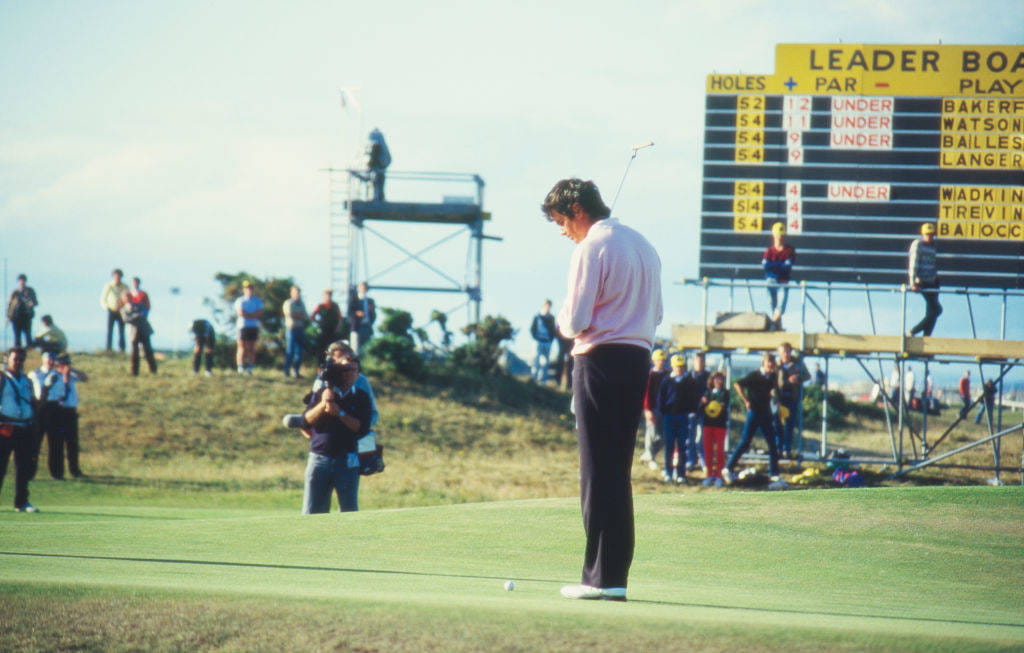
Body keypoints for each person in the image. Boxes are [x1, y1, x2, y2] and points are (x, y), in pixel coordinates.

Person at [542, 178, 662, 602]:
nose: (562, 231)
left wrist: (560, 319)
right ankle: (611, 576)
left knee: (597, 471)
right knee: (616, 472)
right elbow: (658, 313)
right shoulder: (644, 244)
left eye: (561, 221)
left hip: (598, 360)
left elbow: (574, 320)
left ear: (576, 210)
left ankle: (599, 579)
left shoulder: (590, 247)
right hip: (637, 359)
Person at [298, 351, 372, 513]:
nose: (349, 374)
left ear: (358, 373)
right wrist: (323, 404)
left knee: (349, 510)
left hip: (348, 460)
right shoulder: (321, 392)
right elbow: (305, 420)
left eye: (353, 370)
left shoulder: (361, 397)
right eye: (345, 370)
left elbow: (361, 428)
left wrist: (340, 413)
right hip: (319, 458)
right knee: (312, 511)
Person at [723, 352, 786, 489]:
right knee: (745, 441)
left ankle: (774, 473)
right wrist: (745, 400)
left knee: (772, 444)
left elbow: (772, 390)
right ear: (763, 364)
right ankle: (728, 468)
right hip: (754, 412)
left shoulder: (772, 376)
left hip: (766, 413)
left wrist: (776, 400)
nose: (771, 367)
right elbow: (737, 384)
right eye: (769, 364)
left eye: (773, 365)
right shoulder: (754, 375)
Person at [0, 347, 38, 512]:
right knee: (1, 466)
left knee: (23, 467)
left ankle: (21, 501)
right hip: (6, 427)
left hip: (24, 427)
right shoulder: (2, 378)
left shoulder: (26, 380)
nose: (18, 362)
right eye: (15, 359)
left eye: (21, 359)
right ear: (8, 359)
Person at [37, 354, 85, 479]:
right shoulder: (53, 376)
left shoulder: (72, 376)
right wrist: (63, 376)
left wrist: (70, 371)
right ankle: (58, 472)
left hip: (71, 412)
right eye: (64, 363)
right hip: (59, 412)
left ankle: (74, 469)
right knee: (57, 443)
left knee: (72, 442)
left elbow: (84, 377)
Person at [657, 354, 690, 484]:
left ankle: (681, 473)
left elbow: (693, 398)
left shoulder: (688, 381)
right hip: (669, 417)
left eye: (681, 367)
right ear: (672, 367)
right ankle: (668, 472)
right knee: (669, 446)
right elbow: (661, 399)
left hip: (683, 417)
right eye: (677, 367)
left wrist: (690, 411)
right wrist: (663, 414)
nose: (679, 369)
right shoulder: (666, 381)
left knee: (682, 446)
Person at [907, 223, 942, 337]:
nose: (929, 237)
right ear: (922, 234)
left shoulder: (933, 246)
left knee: (931, 312)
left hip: (932, 282)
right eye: (927, 234)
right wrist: (912, 283)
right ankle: (913, 331)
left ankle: (927, 338)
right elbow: (913, 264)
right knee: (937, 310)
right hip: (922, 282)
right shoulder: (918, 244)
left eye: (931, 234)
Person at [775, 342, 809, 459]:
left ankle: (787, 449)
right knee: (777, 424)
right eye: (783, 352)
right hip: (778, 399)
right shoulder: (776, 365)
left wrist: (798, 378)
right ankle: (777, 449)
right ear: (779, 353)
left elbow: (807, 375)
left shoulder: (797, 364)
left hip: (792, 398)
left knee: (789, 425)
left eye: (788, 351)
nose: (786, 354)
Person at [29, 351, 58, 480]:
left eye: (52, 359)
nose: (50, 361)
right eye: (48, 359)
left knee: (55, 443)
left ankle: (56, 473)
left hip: (54, 408)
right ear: (43, 359)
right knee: (34, 443)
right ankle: (30, 472)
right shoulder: (34, 374)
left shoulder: (58, 374)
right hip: (39, 408)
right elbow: (36, 392)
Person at [762, 222, 795, 331]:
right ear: (774, 235)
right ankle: (778, 326)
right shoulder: (769, 251)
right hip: (771, 281)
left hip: (783, 281)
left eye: (781, 235)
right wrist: (780, 265)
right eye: (778, 234)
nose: (779, 237)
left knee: (780, 307)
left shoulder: (789, 250)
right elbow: (766, 266)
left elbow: (787, 266)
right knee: (774, 306)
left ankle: (773, 325)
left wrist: (774, 266)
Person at [639, 349, 668, 471]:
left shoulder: (668, 374)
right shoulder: (649, 375)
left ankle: (647, 454)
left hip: (665, 409)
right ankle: (650, 458)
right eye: (658, 360)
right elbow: (645, 393)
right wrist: (647, 409)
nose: (660, 362)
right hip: (652, 408)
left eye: (662, 360)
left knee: (663, 437)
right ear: (653, 361)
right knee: (651, 434)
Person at [700, 371, 730, 486]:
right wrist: (703, 403)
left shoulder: (725, 393)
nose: (718, 381)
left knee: (719, 451)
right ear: (712, 381)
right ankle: (709, 475)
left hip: (720, 426)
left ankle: (718, 475)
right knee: (708, 450)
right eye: (716, 379)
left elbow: (723, 405)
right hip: (708, 425)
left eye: (720, 379)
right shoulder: (707, 392)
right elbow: (702, 407)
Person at [123, 281, 157, 376]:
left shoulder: (140, 305)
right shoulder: (124, 310)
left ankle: (153, 370)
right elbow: (126, 319)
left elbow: (145, 313)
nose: (128, 299)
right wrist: (137, 315)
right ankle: (134, 372)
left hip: (144, 331)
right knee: (135, 353)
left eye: (129, 297)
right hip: (133, 333)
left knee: (148, 351)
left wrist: (136, 316)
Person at [686, 351, 710, 472]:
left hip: (704, 412)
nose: (699, 363)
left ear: (704, 362)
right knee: (690, 437)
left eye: (701, 361)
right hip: (690, 410)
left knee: (701, 438)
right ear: (693, 362)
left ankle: (703, 460)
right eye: (697, 361)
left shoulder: (708, 376)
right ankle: (690, 460)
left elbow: (710, 391)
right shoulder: (688, 376)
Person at [234, 280, 264, 375]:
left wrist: (249, 315)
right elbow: (241, 313)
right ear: (244, 290)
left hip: (253, 326)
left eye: (250, 288)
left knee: (251, 347)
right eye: (247, 288)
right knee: (241, 346)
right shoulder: (240, 300)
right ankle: (240, 367)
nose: (249, 290)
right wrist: (252, 315)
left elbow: (259, 313)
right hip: (242, 326)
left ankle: (250, 367)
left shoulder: (257, 300)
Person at [283, 285, 310, 378]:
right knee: (290, 351)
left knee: (299, 352)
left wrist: (299, 315)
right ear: (291, 293)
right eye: (295, 292)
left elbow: (306, 316)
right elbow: (291, 314)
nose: (297, 294)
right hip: (291, 329)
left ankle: (296, 371)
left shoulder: (301, 304)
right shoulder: (288, 303)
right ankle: (287, 371)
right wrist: (299, 315)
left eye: (298, 292)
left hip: (300, 329)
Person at [100, 268, 129, 352]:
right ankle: (108, 349)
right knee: (110, 330)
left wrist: (125, 307)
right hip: (111, 310)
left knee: (121, 330)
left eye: (119, 276)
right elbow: (103, 298)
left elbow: (128, 297)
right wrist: (106, 307)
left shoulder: (125, 286)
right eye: (116, 276)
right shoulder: (109, 286)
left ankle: (122, 349)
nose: (117, 278)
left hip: (121, 311)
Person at [312, 290, 344, 361]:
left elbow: (340, 318)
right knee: (321, 349)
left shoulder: (335, 306)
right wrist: (318, 323)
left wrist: (338, 327)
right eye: (326, 295)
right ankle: (321, 366)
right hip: (323, 331)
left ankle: (333, 365)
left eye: (330, 295)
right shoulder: (320, 306)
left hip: (333, 331)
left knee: (334, 349)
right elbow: (312, 316)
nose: (328, 297)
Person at [7, 274, 38, 348]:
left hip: (26, 316)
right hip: (16, 317)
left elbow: (35, 303)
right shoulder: (15, 292)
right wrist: (9, 316)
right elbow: (10, 305)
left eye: (23, 280)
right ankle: (18, 349)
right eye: (20, 280)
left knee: (27, 334)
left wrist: (28, 299)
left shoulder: (30, 291)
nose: (22, 282)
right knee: (17, 335)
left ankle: (30, 348)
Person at [530, 299, 557, 383]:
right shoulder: (537, 316)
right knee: (536, 360)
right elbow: (532, 328)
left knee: (545, 362)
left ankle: (542, 380)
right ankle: (533, 378)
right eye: (546, 305)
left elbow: (553, 330)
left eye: (549, 306)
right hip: (538, 341)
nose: (548, 307)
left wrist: (551, 340)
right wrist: (535, 337)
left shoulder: (551, 318)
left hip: (547, 342)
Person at [347, 282, 376, 357]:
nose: (363, 289)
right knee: (355, 349)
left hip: (366, 326)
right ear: (358, 289)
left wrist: (370, 320)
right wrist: (356, 313)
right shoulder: (354, 299)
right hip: (356, 327)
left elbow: (373, 314)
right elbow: (349, 312)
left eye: (365, 287)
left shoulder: (370, 301)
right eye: (362, 287)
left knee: (366, 349)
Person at [366, 128, 391, 202]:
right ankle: (380, 198)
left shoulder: (377, 145)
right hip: (381, 169)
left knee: (376, 184)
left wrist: (369, 165)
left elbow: (374, 157)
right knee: (380, 184)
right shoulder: (384, 146)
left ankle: (376, 198)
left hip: (378, 169)